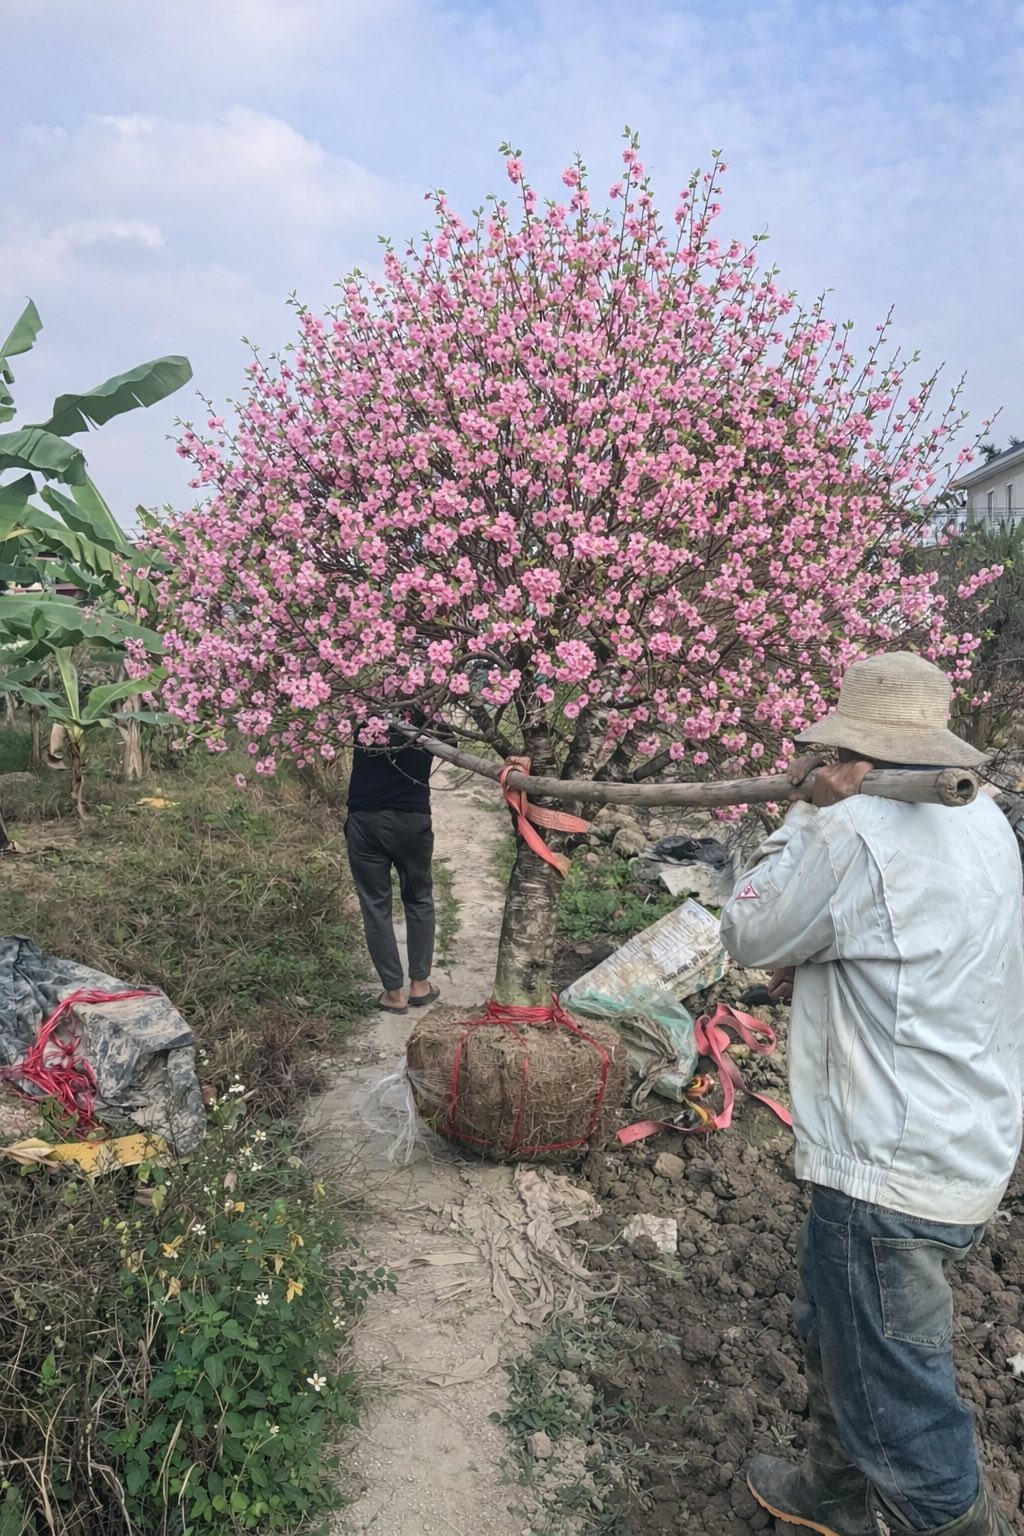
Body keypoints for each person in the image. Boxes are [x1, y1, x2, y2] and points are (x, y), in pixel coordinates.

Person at [719, 651, 1023, 1536]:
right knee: (841, 1331)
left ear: (852, 749)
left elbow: (748, 929)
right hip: (963, 1136)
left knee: (902, 1410)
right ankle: (834, 1494)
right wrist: (825, 966)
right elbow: (913, 943)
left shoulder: (850, 829)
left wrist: (809, 816)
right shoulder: (983, 817)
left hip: (886, 1163)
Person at [345, 716, 444, 1014]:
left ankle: (393, 992)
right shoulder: (429, 717)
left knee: (375, 905)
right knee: (419, 898)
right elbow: (450, 746)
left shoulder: (362, 709)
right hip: (412, 820)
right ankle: (419, 985)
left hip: (365, 819)